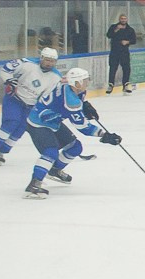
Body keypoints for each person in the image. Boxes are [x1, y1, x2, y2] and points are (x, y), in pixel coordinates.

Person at [21, 67, 116, 198]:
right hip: (38, 123)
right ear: (76, 83)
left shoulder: (71, 88)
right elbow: (83, 127)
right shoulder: (71, 101)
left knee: (75, 147)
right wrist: (104, 135)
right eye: (84, 81)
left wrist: (85, 106)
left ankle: (54, 170)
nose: (87, 83)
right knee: (50, 151)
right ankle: (34, 184)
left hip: (53, 121)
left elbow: (73, 102)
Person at [0, 47, 62, 164]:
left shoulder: (56, 77)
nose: (50, 63)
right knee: (12, 122)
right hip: (14, 99)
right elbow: (6, 69)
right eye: (47, 60)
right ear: (41, 58)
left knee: (21, 128)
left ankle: (3, 151)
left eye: (53, 61)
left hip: (31, 105)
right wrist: (9, 81)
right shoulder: (27, 63)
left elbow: (48, 96)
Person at [105, 13, 139, 94]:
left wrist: (127, 42)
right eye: (122, 18)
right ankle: (111, 84)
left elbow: (134, 40)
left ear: (126, 19)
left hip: (124, 52)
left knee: (126, 68)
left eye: (124, 19)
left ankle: (126, 85)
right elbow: (109, 35)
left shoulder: (130, 29)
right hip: (114, 51)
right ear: (119, 19)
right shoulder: (113, 27)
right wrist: (116, 29)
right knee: (113, 68)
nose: (123, 20)